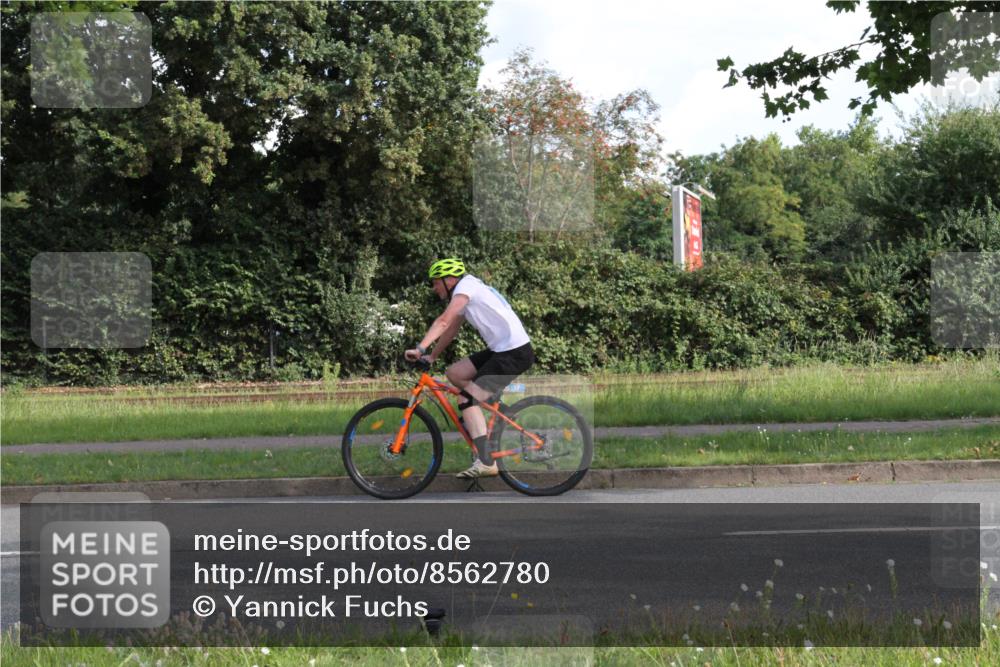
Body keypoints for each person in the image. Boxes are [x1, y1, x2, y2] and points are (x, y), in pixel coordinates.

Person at [404, 258, 535, 478]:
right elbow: (451, 328)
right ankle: (491, 406)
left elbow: (443, 321)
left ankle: (486, 461)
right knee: (455, 373)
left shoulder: (466, 288)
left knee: (466, 400)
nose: (434, 288)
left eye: (436, 282)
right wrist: (432, 355)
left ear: (449, 279)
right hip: (502, 350)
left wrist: (420, 348)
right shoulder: (468, 291)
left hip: (513, 353)